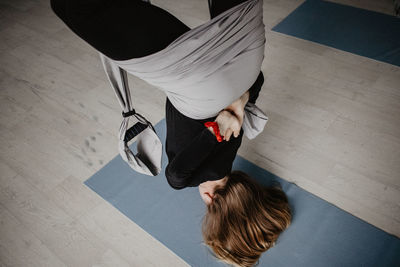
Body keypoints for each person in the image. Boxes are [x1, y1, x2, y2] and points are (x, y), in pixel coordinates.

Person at [50, 0, 292, 265]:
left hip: (247, 53)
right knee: (72, 7)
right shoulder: (188, 178)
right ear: (210, 200)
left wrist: (238, 104)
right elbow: (175, 176)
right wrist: (214, 130)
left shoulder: (232, 144)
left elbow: (257, 82)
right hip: (197, 78)